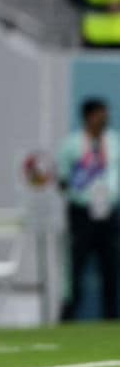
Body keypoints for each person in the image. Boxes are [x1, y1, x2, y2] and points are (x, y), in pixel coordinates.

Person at [57, 97, 119, 320]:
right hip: (82, 212)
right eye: (101, 113)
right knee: (76, 266)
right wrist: (80, 190)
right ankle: (68, 316)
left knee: (110, 266)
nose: (106, 118)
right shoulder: (72, 144)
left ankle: (111, 318)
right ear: (89, 116)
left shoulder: (114, 142)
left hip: (109, 212)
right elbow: (62, 179)